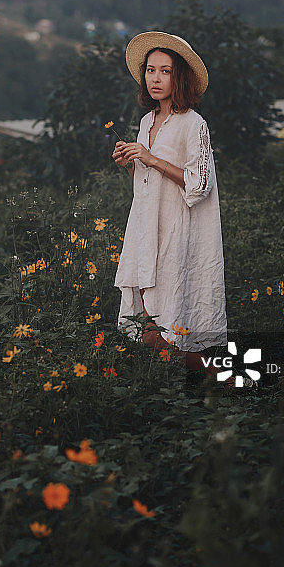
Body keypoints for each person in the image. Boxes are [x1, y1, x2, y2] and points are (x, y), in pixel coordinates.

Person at [112, 31, 228, 378]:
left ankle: (230, 382)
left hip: (177, 233)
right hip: (147, 230)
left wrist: (151, 158)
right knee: (147, 325)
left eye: (165, 71)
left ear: (179, 77)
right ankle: (201, 391)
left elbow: (200, 183)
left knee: (166, 324)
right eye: (150, 70)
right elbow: (149, 186)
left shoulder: (194, 123)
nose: (156, 78)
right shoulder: (147, 122)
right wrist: (131, 163)